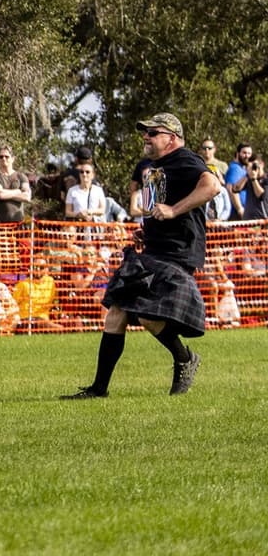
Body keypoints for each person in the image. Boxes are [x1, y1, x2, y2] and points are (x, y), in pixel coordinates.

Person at [63, 113, 221, 399]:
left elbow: (212, 186)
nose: (146, 137)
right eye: (145, 132)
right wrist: (145, 230)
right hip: (152, 249)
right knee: (116, 313)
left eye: (153, 132)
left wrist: (174, 210)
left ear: (171, 138)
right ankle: (99, 390)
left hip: (177, 254)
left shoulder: (185, 159)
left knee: (148, 315)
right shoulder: (153, 167)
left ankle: (184, 357)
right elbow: (153, 209)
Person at [0, 147, 31, 225]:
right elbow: (0, 194)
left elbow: (27, 197)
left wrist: (5, 193)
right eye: (1, 157)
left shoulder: (21, 176)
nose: (4, 159)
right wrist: (17, 191)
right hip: (0, 224)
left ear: (13, 159)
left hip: (19, 224)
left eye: (6, 156)